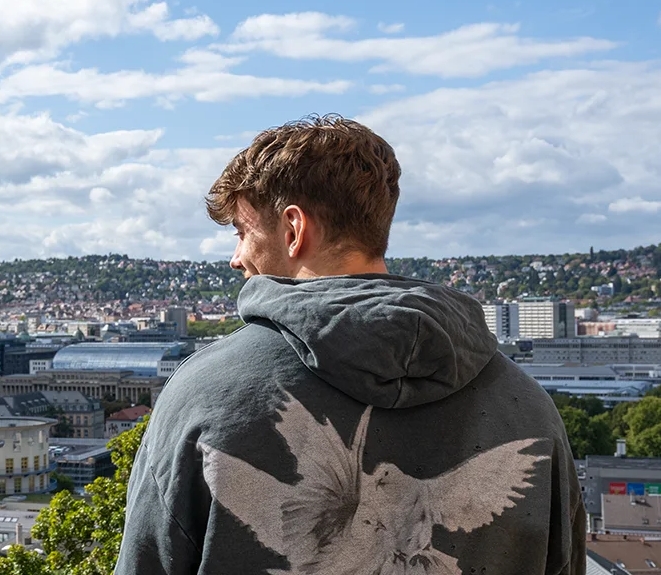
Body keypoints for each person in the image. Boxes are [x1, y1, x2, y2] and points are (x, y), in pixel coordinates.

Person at [117, 115, 585, 575]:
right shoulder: (529, 408)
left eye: (242, 232)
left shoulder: (203, 394)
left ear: (294, 229)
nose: (236, 258)